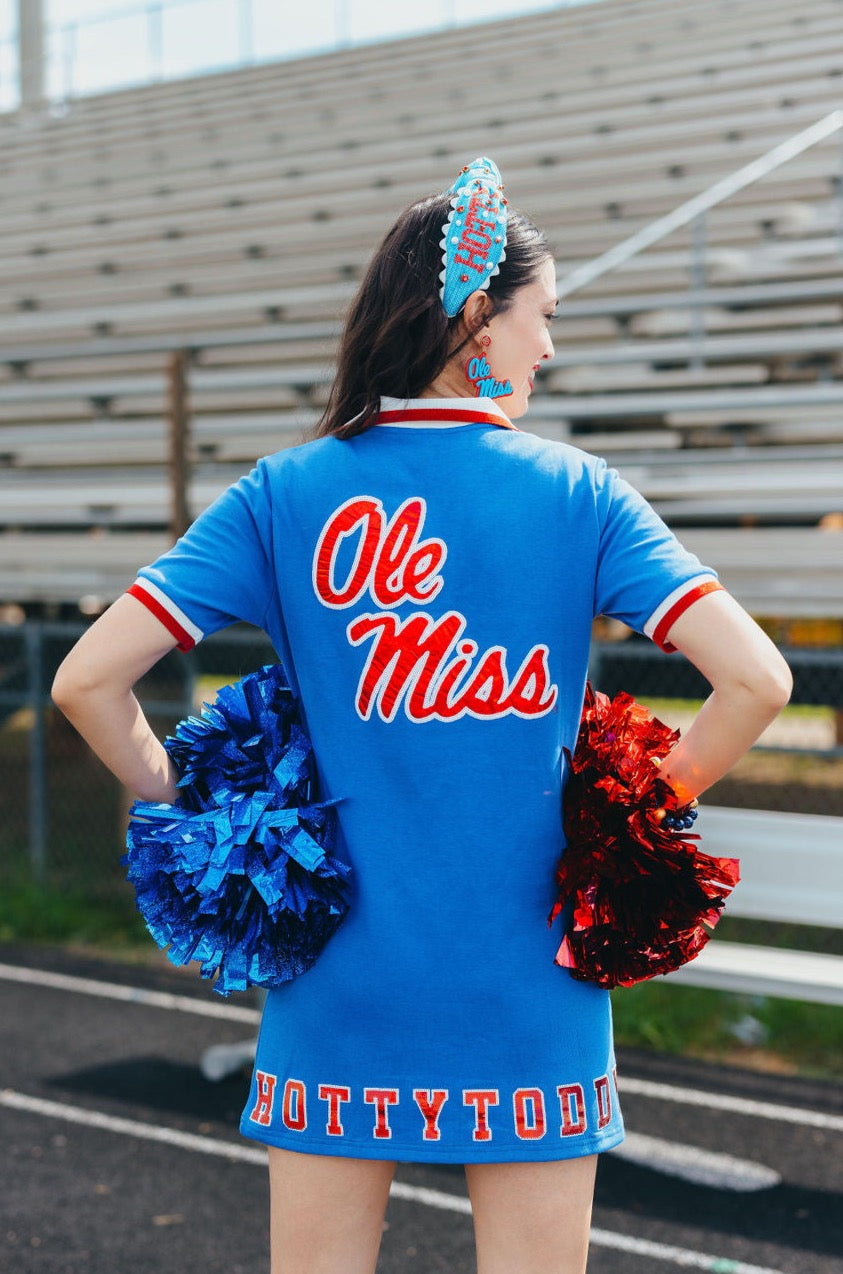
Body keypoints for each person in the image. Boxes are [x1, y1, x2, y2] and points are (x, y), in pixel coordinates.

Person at [52, 158, 792, 1274]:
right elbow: (758, 682)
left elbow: (85, 682)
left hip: (340, 986)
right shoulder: (581, 492)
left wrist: (194, 810)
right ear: (479, 323)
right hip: (530, 984)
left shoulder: (283, 491)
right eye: (543, 318)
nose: (549, 346)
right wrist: (628, 818)